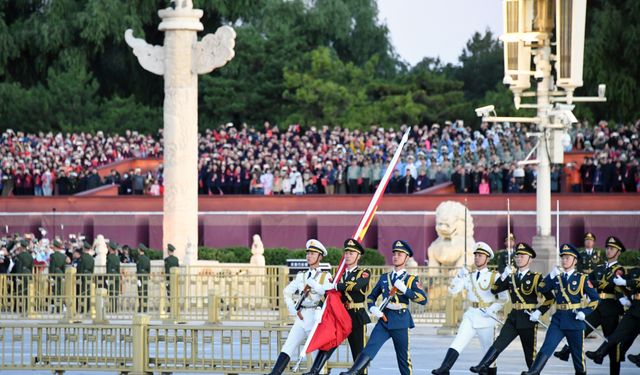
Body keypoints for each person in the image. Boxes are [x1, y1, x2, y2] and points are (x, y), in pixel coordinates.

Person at [340, 240, 427, 375]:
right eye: (394, 254)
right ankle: (353, 372)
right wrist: (373, 308)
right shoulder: (384, 277)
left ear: (406, 258)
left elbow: (423, 299)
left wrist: (405, 290)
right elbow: (371, 297)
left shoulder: (411, 279)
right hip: (385, 319)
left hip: (401, 321)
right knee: (369, 348)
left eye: (399, 254)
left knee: (403, 359)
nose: (396, 256)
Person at [470, 243, 554, 373]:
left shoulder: (536, 278)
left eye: (522, 256)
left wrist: (539, 311)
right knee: (499, 343)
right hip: (513, 317)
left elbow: (550, 298)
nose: (519, 258)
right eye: (517, 256)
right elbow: (494, 290)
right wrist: (503, 275)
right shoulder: (511, 276)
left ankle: (532, 372)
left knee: (529, 355)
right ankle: (483, 365)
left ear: (530, 259)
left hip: (528, 319)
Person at [521, 244, 599, 375]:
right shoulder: (557, 277)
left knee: (577, 356)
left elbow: (595, 299)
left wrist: (585, 312)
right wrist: (551, 275)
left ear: (574, 261)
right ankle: (534, 371)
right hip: (558, 319)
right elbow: (541, 288)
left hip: (575, 320)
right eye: (562, 257)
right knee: (547, 346)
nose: (564, 260)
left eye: (567, 258)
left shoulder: (582, 278)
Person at [554, 235, 626, 374]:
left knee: (611, 342)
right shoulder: (599, 268)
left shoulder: (619, 269)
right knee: (580, 329)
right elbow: (587, 281)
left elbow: (614, 286)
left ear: (618, 252)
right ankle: (566, 351)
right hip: (596, 306)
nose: (608, 251)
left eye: (612, 249)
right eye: (607, 248)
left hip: (610, 308)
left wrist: (599, 284)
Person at [432, 242, 508, 375]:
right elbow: (453, 291)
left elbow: (504, 298)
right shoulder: (469, 275)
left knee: (488, 352)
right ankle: (445, 368)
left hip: (486, 317)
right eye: (476, 255)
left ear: (487, 259)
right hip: (471, 315)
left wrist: (493, 309)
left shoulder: (494, 276)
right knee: (458, 341)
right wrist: (459, 276)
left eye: (480, 255)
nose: (477, 258)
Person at [303, 238, 371, 375]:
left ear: (358, 256)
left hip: (356, 315)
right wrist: (319, 307)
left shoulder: (363, 273)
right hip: (340, 315)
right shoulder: (339, 274)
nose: (347, 255)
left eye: (351, 253)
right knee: (329, 342)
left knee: (358, 353)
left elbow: (356, 286)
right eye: (346, 253)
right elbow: (330, 294)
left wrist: (336, 285)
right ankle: (314, 371)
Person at [266, 240, 332, 375]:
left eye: (313, 253)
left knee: (315, 352)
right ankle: (274, 373)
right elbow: (287, 292)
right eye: (308, 253)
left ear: (320, 257)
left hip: (316, 317)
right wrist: (293, 309)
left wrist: (315, 286)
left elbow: (328, 295)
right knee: (288, 346)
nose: (309, 256)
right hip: (302, 316)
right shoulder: (301, 275)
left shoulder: (326, 276)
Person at [586, 256, 640, 368]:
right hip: (635, 307)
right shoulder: (635, 271)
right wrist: (624, 295)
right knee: (619, 333)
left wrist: (625, 282)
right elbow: (617, 284)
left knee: (628, 336)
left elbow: (631, 282)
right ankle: (600, 353)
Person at [48, 239, 67, 312]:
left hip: (55, 274)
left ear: (54, 247)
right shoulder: (63, 256)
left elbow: (52, 267)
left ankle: (56, 307)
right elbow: (64, 267)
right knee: (61, 291)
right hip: (61, 274)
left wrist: (50, 276)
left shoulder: (53, 256)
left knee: (55, 291)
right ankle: (61, 306)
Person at [106, 241, 121, 312]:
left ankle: (112, 308)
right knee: (115, 293)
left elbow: (108, 267)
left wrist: (107, 277)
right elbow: (118, 268)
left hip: (111, 276)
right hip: (117, 275)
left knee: (111, 292)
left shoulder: (109, 257)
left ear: (110, 248)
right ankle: (115, 308)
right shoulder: (117, 257)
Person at [164, 243, 179, 310]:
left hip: (169, 278)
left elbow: (167, 270)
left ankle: (171, 306)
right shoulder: (176, 259)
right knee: (175, 293)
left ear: (169, 251)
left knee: (169, 293)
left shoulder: (167, 260)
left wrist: (166, 279)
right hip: (175, 278)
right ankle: (175, 306)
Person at [136, 244, 151, 313]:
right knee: (145, 291)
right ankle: (145, 306)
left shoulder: (139, 258)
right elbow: (149, 269)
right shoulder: (147, 258)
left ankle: (140, 306)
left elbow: (138, 268)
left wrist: (138, 277)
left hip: (140, 276)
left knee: (140, 291)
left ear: (140, 250)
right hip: (145, 276)